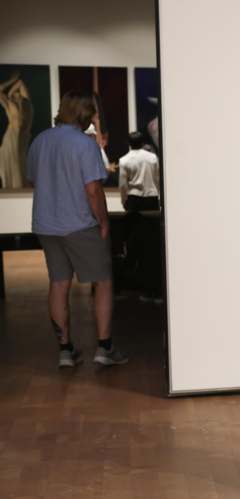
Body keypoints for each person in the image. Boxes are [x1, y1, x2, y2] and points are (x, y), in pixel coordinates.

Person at [26, 91, 127, 368]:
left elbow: (35, 181)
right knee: (103, 281)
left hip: (47, 225)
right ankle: (104, 347)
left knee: (58, 284)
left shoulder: (40, 141)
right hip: (80, 224)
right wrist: (104, 222)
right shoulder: (85, 145)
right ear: (84, 114)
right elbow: (93, 190)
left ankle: (65, 350)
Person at [119, 130, 161, 301]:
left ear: (129, 143)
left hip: (135, 200)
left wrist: (124, 201)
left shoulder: (125, 160)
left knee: (134, 242)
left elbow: (123, 185)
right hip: (151, 199)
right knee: (152, 243)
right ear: (143, 142)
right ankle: (153, 288)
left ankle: (133, 285)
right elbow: (158, 179)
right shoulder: (152, 158)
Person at [0, 71, 33, 189]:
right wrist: (10, 89)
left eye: (18, 93)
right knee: (11, 167)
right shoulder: (10, 105)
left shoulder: (26, 103)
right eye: (15, 95)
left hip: (22, 138)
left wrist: (11, 90)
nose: (17, 95)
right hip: (10, 138)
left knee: (20, 167)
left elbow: (20, 83)